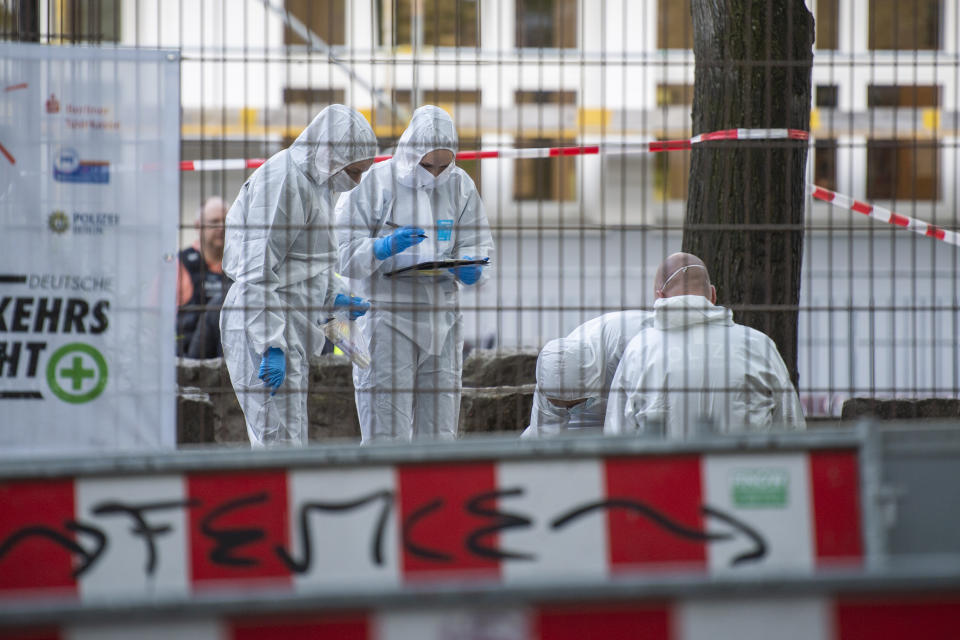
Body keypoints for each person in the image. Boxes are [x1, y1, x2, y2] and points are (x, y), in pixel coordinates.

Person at [220, 105, 377, 447]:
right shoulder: (283, 180)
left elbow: (306, 262)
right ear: (331, 153)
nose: (357, 181)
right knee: (280, 444)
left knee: (287, 441)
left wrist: (333, 294)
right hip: (263, 323)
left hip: (289, 322)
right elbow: (255, 272)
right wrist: (270, 345)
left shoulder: (318, 185)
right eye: (354, 171)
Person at [336, 105, 495, 442]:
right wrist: (381, 248)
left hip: (442, 320)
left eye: (443, 165)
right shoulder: (376, 183)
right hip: (386, 320)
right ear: (410, 152)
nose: (434, 174)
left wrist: (469, 264)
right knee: (385, 430)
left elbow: (478, 241)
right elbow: (340, 250)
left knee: (439, 431)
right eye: (426, 165)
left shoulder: (460, 186)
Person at [604, 252, 805, 437]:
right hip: (742, 474)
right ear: (713, 294)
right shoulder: (759, 346)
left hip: (665, 473)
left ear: (660, 296)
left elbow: (617, 435)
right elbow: (791, 426)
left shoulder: (639, 350)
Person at [521, 310, 652, 438]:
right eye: (558, 405)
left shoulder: (629, 349)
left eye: (572, 404)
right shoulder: (550, 375)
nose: (567, 410)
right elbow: (543, 433)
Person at [176, 196, 232, 358]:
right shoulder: (180, 265)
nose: (221, 227)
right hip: (192, 359)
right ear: (198, 226)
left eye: (226, 221)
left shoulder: (243, 265)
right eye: (214, 222)